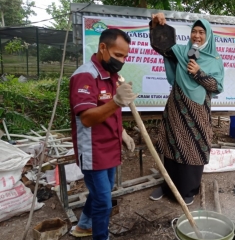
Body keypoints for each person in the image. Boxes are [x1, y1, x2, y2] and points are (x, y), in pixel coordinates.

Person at [148, 13, 224, 205]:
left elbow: (217, 86)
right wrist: (157, 24)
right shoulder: (182, 52)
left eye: (201, 32)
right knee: (172, 145)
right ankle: (167, 186)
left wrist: (199, 73)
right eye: (194, 32)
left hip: (198, 111)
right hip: (176, 106)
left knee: (194, 147)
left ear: (208, 36)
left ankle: (188, 190)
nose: (197, 36)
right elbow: (160, 45)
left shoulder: (215, 60)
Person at [69, 28, 137, 240]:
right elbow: (88, 118)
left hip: (110, 146)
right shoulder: (85, 76)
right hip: (94, 150)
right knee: (103, 202)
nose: (122, 60)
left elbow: (110, 114)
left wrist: (123, 133)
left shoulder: (111, 75)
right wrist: (116, 101)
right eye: (118, 55)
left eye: (125, 56)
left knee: (102, 192)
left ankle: (83, 225)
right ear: (102, 48)